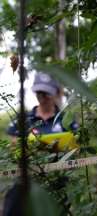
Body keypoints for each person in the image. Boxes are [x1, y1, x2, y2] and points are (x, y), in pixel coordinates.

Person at [3, 72, 78, 216]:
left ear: (56, 92)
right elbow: (13, 145)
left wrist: (58, 149)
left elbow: (76, 148)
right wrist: (34, 147)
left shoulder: (66, 119)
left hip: (58, 184)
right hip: (27, 181)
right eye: (39, 93)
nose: (42, 98)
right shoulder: (24, 119)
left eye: (46, 94)